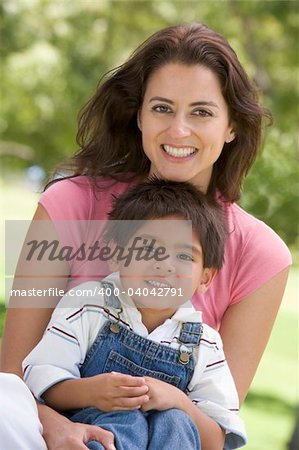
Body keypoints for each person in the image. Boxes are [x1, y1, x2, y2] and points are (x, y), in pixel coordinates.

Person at [1, 22, 291, 450]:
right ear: (138, 115)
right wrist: (57, 428)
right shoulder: (65, 204)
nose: (177, 131)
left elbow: (213, 431)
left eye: (202, 112)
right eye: (161, 108)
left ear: (232, 126)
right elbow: (12, 374)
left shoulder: (264, 256)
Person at [23, 179, 247, 450]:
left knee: (175, 421)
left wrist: (179, 401)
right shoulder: (89, 305)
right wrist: (91, 391)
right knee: (126, 420)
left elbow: (216, 440)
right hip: (94, 432)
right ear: (116, 255)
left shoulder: (205, 344)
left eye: (185, 257)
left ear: (206, 278)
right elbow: (41, 379)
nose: (164, 265)